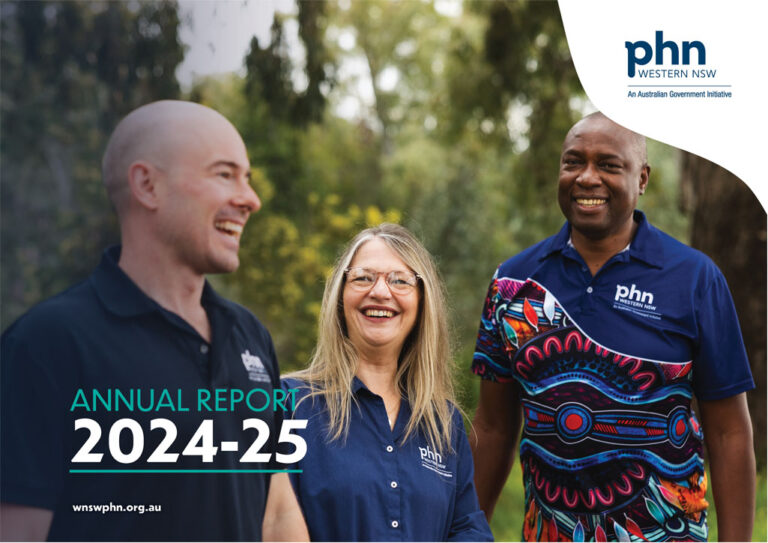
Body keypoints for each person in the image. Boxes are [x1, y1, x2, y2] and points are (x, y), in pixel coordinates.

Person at [0, 100, 308, 541]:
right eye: (224, 174)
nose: (250, 200)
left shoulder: (249, 336)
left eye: (247, 179)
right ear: (147, 185)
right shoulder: (47, 344)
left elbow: (276, 512)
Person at [470, 112, 755, 542]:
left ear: (642, 178)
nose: (587, 177)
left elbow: (729, 431)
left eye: (608, 164)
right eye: (573, 162)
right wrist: (465, 530)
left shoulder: (694, 279)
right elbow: (493, 427)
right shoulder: (513, 284)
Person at [282, 223, 493, 542]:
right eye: (363, 278)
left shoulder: (443, 423)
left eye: (399, 281)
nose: (380, 292)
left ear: (423, 303)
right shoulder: (289, 405)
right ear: (340, 296)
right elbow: (264, 518)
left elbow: (467, 529)